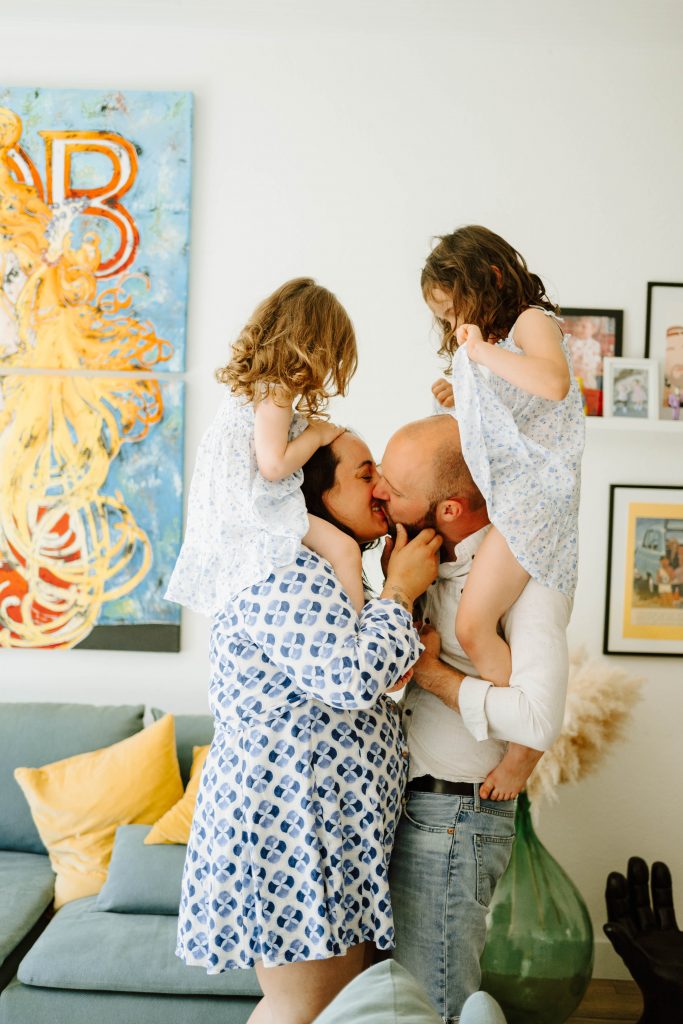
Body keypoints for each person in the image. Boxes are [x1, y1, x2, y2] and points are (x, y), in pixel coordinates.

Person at [175, 428, 442, 1024]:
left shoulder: (323, 570)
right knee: (307, 1008)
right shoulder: (283, 570)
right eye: (365, 473)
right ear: (313, 495)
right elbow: (348, 678)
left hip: (329, 831)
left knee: (341, 1008)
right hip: (290, 830)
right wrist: (398, 591)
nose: (382, 486)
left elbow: (354, 685)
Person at [373, 414, 571, 1022]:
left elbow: (538, 719)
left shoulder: (527, 578)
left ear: (453, 510)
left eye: (394, 488)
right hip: (404, 809)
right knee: (395, 1005)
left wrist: (433, 674)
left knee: (436, 1004)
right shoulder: (413, 557)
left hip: (454, 818)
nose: (380, 493)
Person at [422, 225, 584, 799]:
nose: (449, 325)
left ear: (488, 279)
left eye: (451, 308)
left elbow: (554, 383)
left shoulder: (529, 321)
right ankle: (514, 735)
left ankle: (522, 753)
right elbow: (502, 427)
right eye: (440, 317)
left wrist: (481, 354)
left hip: (536, 503)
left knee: (471, 624)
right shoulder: (490, 347)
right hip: (511, 504)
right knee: (474, 622)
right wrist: (461, 397)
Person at [166, 277, 366, 618]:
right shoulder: (276, 392)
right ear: (314, 345)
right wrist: (316, 435)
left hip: (231, 512)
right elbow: (273, 466)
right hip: (250, 514)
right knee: (345, 550)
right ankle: (355, 636)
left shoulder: (253, 389)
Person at [565, 315, 603, 389]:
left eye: (583, 327)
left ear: (593, 329)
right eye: (577, 325)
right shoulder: (571, 341)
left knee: (588, 390)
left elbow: (595, 363)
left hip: (588, 376)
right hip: (572, 375)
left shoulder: (595, 345)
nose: (579, 329)